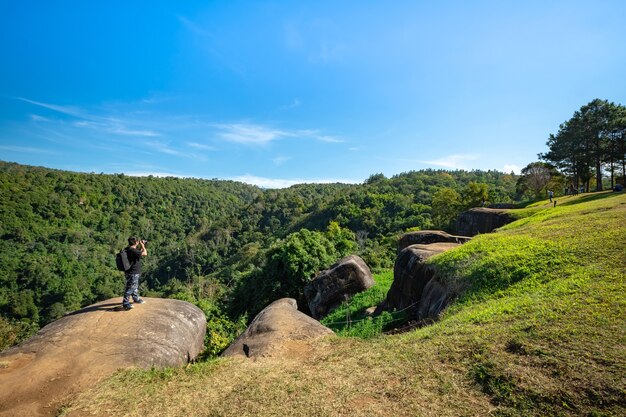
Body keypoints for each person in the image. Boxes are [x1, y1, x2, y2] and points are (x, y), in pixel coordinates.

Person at [122, 236, 147, 310]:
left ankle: (136, 299)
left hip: (129, 271)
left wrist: (142, 246)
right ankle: (125, 303)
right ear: (136, 242)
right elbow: (145, 253)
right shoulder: (133, 250)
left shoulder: (128, 249)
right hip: (133, 272)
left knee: (134, 286)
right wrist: (143, 245)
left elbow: (139, 253)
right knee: (130, 287)